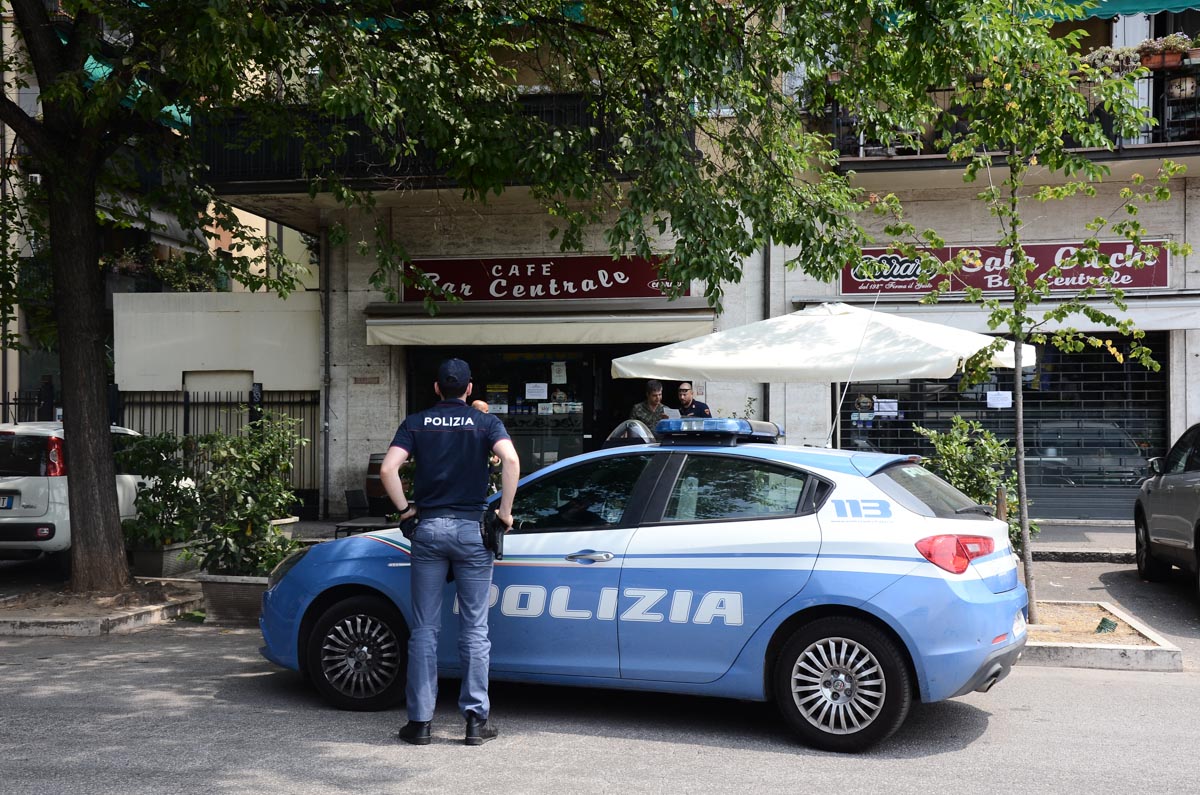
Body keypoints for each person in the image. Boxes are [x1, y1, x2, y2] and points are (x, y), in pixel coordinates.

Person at [380, 358, 520, 747]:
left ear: (438, 388)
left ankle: (421, 723)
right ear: (469, 389)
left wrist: (406, 509)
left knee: (425, 628)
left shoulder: (416, 423)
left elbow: (388, 470)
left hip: (428, 529)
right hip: (472, 530)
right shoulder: (485, 424)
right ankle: (475, 722)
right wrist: (504, 513)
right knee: (475, 628)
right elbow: (510, 460)